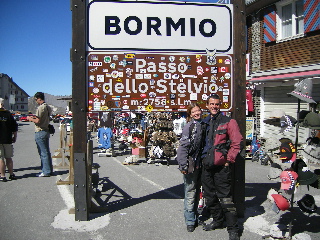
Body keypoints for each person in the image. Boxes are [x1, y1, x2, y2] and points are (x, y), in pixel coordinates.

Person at [201, 94, 243, 240]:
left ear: (221, 105)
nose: (214, 106)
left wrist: (228, 160)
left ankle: (233, 229)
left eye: (217, 104)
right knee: (209, 196)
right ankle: (218, 220)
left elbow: (237, 142)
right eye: (211, 104)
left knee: (225, 198)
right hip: (206, 165)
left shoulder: (229, 121)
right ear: (207, 105)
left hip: (221, 166)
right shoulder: (204, 122)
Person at [176, 103, 205, 232]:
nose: (197, 113)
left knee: (199, 192)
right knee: (190, 192)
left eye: (198, 110)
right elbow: (183, 148)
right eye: (194, 112)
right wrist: (183, 165)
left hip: (201, 165)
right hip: (190, 165)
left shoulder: (204, 124)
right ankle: (190, 220)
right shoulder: (189, 127)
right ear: (190, 114)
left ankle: (196, 216)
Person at [27, 92, 53, 177]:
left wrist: (30, 118)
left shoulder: (40, 108)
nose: (36, 101)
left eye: (36, 99)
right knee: (46, 152)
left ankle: (46, 171)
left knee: (43, 152)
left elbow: (38, 121)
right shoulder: (47, 107)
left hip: (40, 130)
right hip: (46, 130)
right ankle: (48, 169)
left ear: (39, 98)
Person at [0, 98, 18, 182]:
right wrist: (15, 136)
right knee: (8, 157)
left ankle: (3, 176)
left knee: (0, 158)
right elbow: (14, 127)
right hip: (7, 138)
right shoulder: (8, 114)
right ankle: (11, 174)